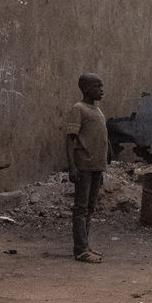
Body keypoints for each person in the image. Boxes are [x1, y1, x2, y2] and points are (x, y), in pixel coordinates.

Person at [66, 73, 108, 263]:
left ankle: (85, 245)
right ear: (85, 89)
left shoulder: (97, 111)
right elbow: (70, 140)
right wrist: (72, 167)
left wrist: (102, 167)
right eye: (97, 86)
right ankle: (80, 250)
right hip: (83, 166)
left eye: (101, 86)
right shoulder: (78, 109)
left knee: (90, 207)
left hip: (95, 166)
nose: (101, 90)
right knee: (81, 208)